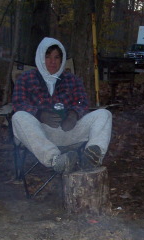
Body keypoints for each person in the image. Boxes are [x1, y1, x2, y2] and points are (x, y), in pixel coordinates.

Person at [12, 37, 112, 174]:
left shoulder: (72, 79)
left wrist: (73, 115)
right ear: (41, 57)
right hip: (39, 135)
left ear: (62, 59)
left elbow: (82, 102)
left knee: (104, 114)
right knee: (18, 116)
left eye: (57, 57)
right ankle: (56, 160)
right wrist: (39, 114)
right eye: (48, 57)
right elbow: (19, 103)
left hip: (68, 130)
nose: (52, 62)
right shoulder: (26, 78)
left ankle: (92, 156)